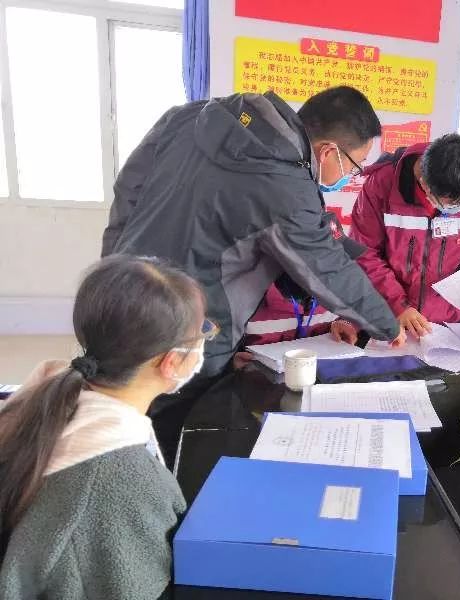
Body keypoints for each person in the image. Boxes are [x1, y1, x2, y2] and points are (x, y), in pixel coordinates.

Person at [102, 86, 402, 461]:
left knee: (116, 413)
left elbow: (128, 189)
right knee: (176, 441)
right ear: (328, 151)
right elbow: (326, 268)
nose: (350, 178)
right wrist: (388, 325)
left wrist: (112, 271)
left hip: (120, 298)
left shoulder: (187, 115)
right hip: (192, 327)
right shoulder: (285, 183)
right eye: (354, 167)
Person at [0, 256, 210, 599]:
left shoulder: (43, 400)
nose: (204, 342)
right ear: (171, 362)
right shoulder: (118, 482)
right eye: (203, 333)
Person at [349, 134, 460, 338]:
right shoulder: (382, 184)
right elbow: (364, 253)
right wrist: (398, 305)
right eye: (451, 204)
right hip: (389, 316)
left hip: (448, 323)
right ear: (425, 185)